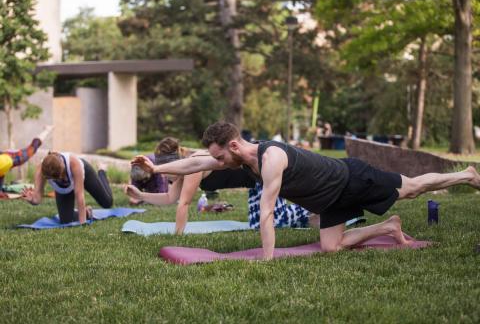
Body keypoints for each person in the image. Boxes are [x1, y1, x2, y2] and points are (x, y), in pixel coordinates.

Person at [132, 121, 480, 260]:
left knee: (415, 188)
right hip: (330, 199)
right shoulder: (238, 159)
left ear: (234, 145)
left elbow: (266, 212)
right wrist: (157, 167)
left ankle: (465, 174)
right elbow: (193, 164)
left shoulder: (272, 158)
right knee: (331, 247)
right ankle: (389, 227)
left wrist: (266, 260)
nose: (217, 162)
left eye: (220, 155)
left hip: (352, 179)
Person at [126, 139, 314, 234]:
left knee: (272, 223)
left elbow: (183, 204)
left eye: (165, 171)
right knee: (261, 225)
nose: (164, 175)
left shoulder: (193, 165)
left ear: (175, 162)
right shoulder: (182, 171)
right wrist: (140, 196)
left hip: (264, 170)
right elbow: (169, 198)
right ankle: (315, 216)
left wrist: (177, 237)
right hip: (255, 182)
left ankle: (311, 208)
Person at [22, 152, 113, 224]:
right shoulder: (40, 172)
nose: (61, 179)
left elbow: (79, 196)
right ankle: (88, 212)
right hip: (64, 189)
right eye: (56, 179)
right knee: (66, 220)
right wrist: (32, 199)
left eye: (61, 176)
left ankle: (102, 171)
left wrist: (83, 223)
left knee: (107, 202)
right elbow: (37, 199)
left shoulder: (74, 163)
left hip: (84, 174)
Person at [0, 125, 53, 198]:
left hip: (11, 157)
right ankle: (47, 130)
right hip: (5, 161)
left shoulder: (13, 159)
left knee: (33, 148)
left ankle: (47, 130)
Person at [128, 138, 178, 205]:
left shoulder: (157, 168)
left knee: (159, 191)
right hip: (150, 175)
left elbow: (162, 190)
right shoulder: (136, 167)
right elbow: (134, 186)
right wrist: (133, 197)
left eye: (144, 179)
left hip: (156, 176)